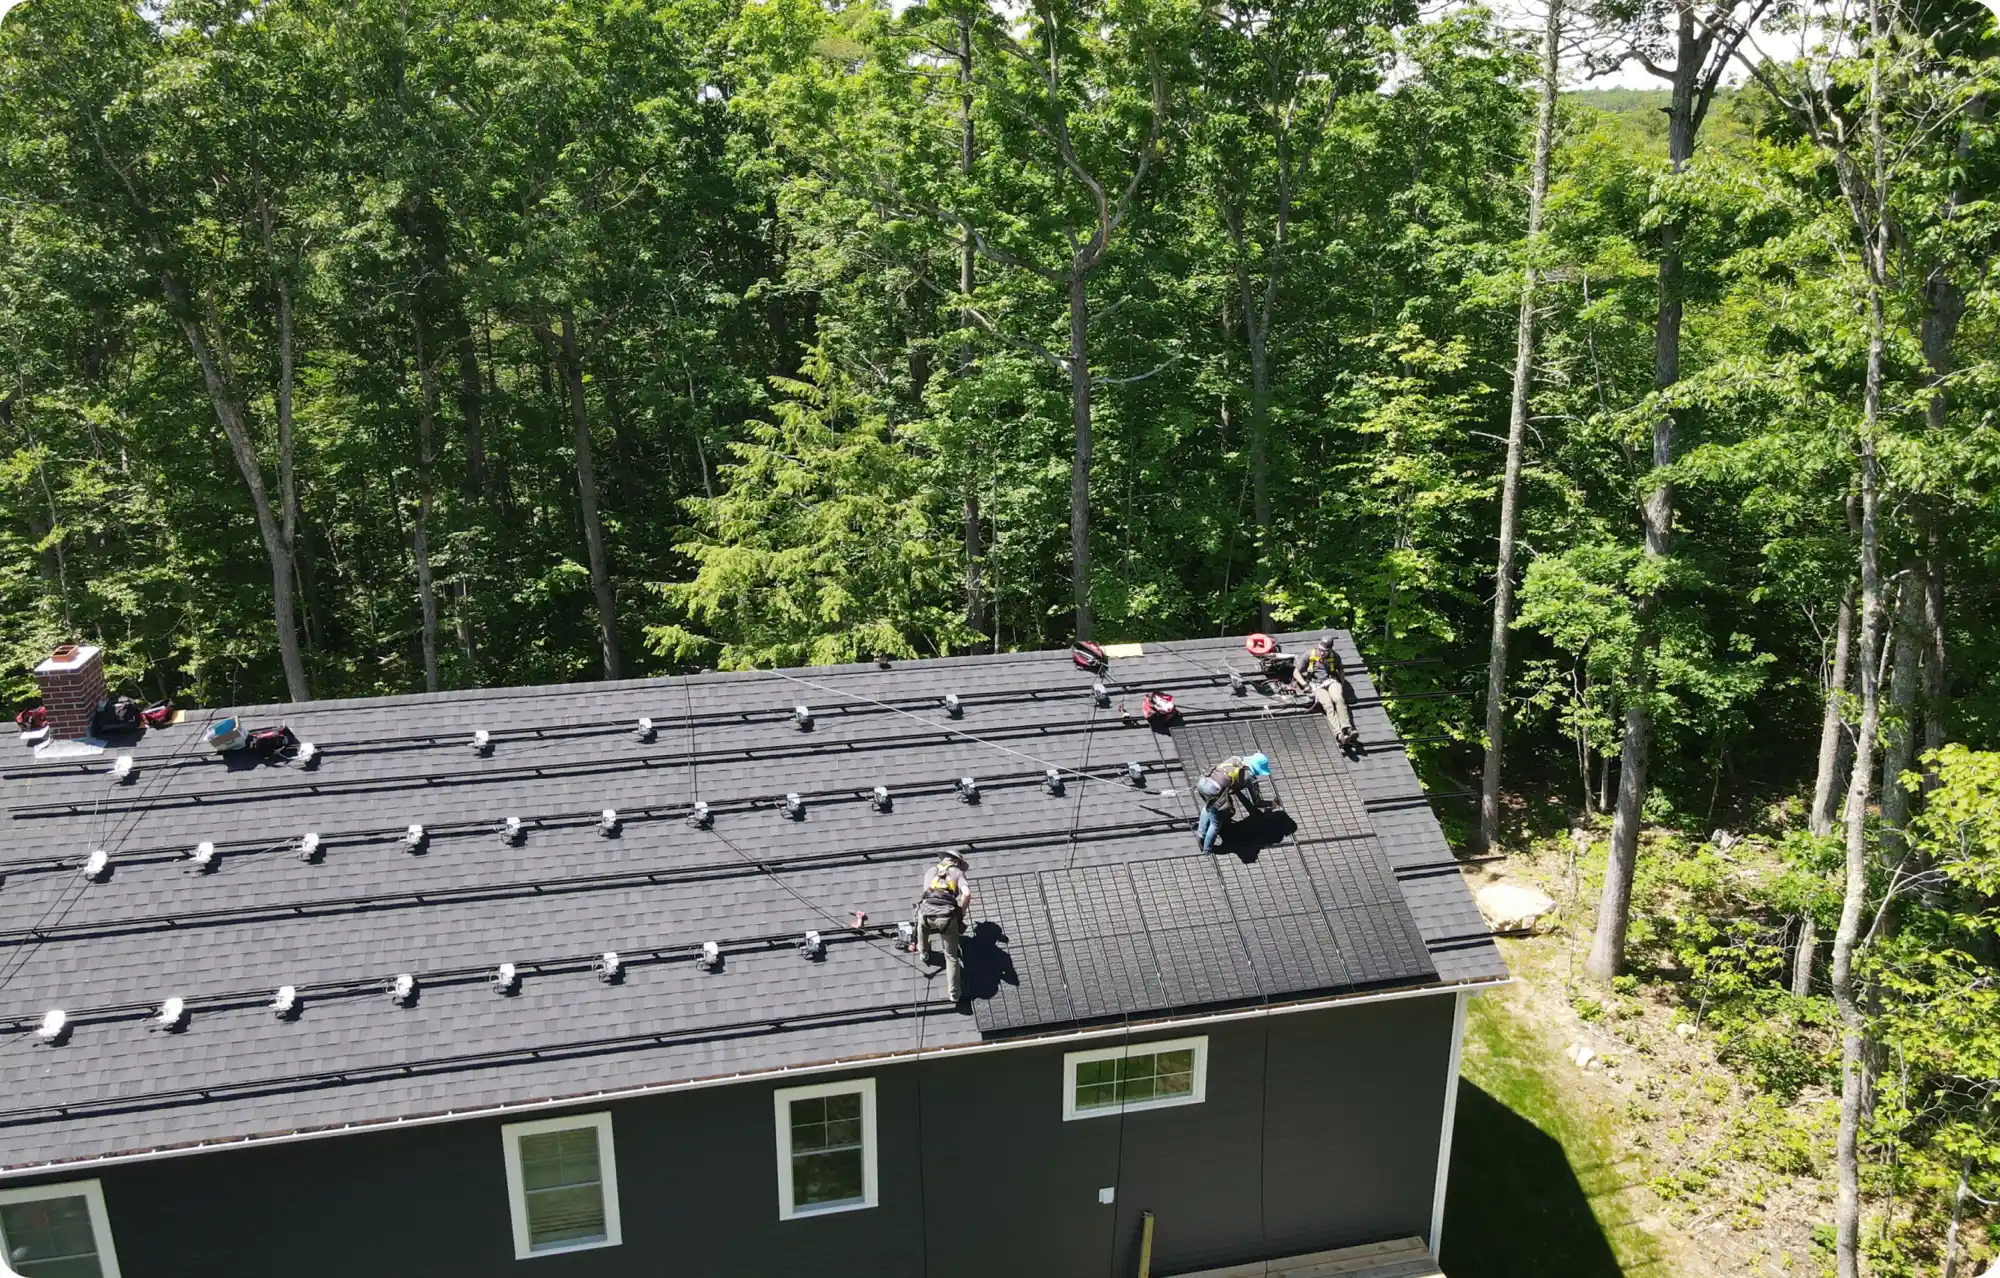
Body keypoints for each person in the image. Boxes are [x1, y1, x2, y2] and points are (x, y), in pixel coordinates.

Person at [912, 847, 973, 1002]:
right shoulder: (958, 873)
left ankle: (924, 953)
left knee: (921, 925)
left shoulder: (930, 872)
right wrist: (963, 910)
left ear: (943, 859)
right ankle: (954, 993)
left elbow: (926, 895)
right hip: (946, 918)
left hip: (926, 915)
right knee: (951, 956)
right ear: (957, 862)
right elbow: (966, 893)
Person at [1291, 633, 1359, 750]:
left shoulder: (1335, 657)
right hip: (1316, 685)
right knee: (1328, 705)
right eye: (1321, 650)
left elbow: (1341, 669)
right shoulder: (1309, 655)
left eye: (1325, 651)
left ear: (1330, 650)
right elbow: (1296, 672)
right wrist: (1305, 685)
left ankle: (1347, 728)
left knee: (1338, 699)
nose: (1322, 653)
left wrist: (1341, 683)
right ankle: (1339, 734)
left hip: (1331, 681)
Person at [1195, 752, 1274, 853]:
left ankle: (1201, 836)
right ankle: (1207, 850)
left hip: (1203, 781)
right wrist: (1271, 804)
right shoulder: (1250, 778)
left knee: (1208, 808)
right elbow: (1257, 802)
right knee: (1215, 823)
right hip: (1214, 790)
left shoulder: (1235, 759)